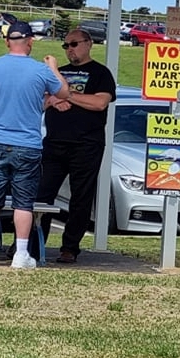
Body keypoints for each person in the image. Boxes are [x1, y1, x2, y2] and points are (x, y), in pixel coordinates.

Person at [0, 21, 69, 269]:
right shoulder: (40, 71)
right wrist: (54, 68)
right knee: (24, 202)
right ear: (30, 42)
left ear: (7, 42)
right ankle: (21, 253)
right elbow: (64, 92)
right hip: (27, 145)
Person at [35, 28, 116, 264]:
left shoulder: (100, 73)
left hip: (86, 145)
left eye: (74, 44)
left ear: (88, 44)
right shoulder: (56, 73)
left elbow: (100, 103)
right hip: (54, 143)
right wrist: (52, 100)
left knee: (80, 198)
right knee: (42, 195)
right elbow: (40, 102)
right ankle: (32, 243)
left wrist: (67, 95)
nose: (70, 49)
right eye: (66, 46)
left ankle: (70, 247)